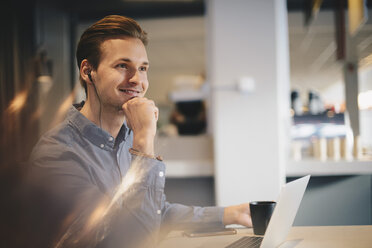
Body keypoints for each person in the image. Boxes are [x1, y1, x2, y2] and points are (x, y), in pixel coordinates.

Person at [28, 15, 252, 248]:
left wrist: (228, 215)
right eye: (122, 66)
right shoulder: (56, 153)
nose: (137, 79)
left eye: (143, 68)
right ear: (88, 71)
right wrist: (144, 142)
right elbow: (124, 239)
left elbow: (153, 213)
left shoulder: (126, 139)